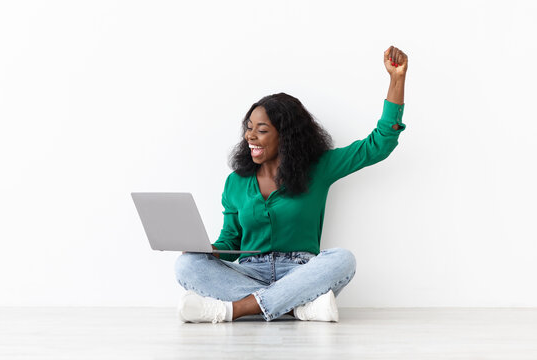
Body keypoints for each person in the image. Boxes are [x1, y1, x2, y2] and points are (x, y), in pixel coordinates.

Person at [174, 45, 408, 323]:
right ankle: (298, 307)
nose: (251, 136)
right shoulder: (236, 182)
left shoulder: (320, 167)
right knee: (187, 265)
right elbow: (231, 241)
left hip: (302, 270)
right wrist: (209, 250)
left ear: (286, 136)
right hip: (250, 271)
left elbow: (378, 145)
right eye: (249, 128)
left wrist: (397, 80)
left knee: (342, 259)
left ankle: (235, 309)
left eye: (261, 130)